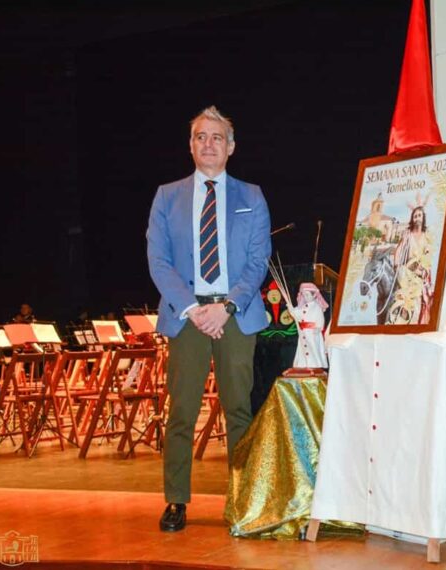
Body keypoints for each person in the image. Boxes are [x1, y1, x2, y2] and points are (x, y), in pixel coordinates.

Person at [147, 105, 271, 532]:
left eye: (217, 137)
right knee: (181, 411)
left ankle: (240, 502)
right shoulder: (167, 196)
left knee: (239, 409)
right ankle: (176, 501)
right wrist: (194, 309)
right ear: (190, 145)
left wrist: (227, 307)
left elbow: (258, 261)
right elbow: (158, 261)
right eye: (201, 136)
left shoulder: (251, 196)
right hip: (187, 316)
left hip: (235, 315)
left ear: (231, 147)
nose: (209, 144)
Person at [388, 202, 433, 325]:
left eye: (419, 215)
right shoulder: (408, 235)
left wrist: (423, 270)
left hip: (421, 276)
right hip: (406, 274)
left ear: (423, 218)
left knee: (422, 303)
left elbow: (429, 256)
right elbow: (399, 250)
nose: (417, 218)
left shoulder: (427, 237)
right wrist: (397, 266)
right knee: (402, 304)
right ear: (412, 219)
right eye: (415, 216)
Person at [289, 282, 328, 369]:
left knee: (313, 347)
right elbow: (297, 315)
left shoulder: (317, 307)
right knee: (303, 348)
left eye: (307, 295)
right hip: (304, 332)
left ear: (314, 295)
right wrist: (291, 309)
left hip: (312, 333)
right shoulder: (303, 306)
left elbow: (320, 318)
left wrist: (319, 328)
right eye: (304, 295)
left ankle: (315, 364)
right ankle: (303, 364)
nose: (305, 297)